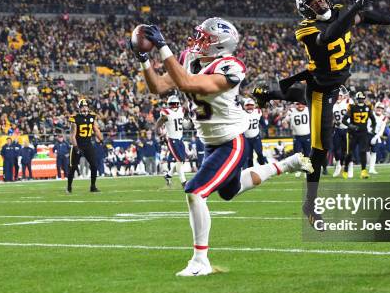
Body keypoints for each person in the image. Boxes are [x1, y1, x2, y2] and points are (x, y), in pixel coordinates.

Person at [132, 17, 313, 276]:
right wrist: (143, 59)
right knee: (230, 191)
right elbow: (159, 86)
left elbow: (187, 84)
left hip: (231, 141)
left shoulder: (231, 67)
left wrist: (162, 47)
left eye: (204, 38)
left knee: (194, 191)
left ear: (219, 45)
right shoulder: (188, 59)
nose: (197, 41)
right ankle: (287, 163)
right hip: (209, 143)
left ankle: (200, 261)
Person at [252, 0, 390, 228]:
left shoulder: (339, 13)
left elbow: (363, 16)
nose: (320, 2)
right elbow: (329, 36)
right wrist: (351, 10)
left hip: (330, 82)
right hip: (321, 89)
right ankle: (311, 205)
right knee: (320, 150)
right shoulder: (305, 28)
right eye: (313, 1)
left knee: (298, 94)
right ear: (306, 8)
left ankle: (268, 93)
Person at [67, 98, 104, 193]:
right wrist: (76, 147)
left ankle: (93, 186)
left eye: (86, 106)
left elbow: (96, 130)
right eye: (83, 107)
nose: (84, 109)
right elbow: (72, 135)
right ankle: (69, 187)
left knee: (94, 165)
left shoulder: (92, 117)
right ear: (79, 108)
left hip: (88, 144)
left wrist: (102, 140)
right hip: (78, 144)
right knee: (73, 167)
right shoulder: (75, 119)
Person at [342, 92, 376, 179]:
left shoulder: (368, 107)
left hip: (363, 133)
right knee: (350, 153)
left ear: (364, 99)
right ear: (356, 99)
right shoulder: (352, 107)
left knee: (363, 151)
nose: (360, 100)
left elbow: (373, 120)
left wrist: (373, 128)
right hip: (353, 133)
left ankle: (363, 171)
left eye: (362, 98)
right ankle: (345, 169)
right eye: (359, 98)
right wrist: (351, 126)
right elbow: (344, 120)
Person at [156, 95, 187, 187]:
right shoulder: (167, 112)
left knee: (181, 161)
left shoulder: (181, 110)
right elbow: (160, 121)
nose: (173, 105)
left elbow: (186, 104)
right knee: (179, 160)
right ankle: (184, 182)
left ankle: (168, 175)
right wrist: (157, 131)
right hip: (172, 139)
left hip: (180, 139)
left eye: (174, 104)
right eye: (172, 104)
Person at [285, 102, 310, 177]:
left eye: (302, 104)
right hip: (297, 136)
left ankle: (306, 169)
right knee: (297, 154)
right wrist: (285, 122)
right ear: (295, 104)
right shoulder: (291, 111)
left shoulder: (308, 110)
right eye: (298, 104)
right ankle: (298, 169)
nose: (300, 105)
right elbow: (285, 120)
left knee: (307, 153)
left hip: (307, 135)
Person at [243, 98, 268, 168]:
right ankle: (250, 172)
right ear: (244, 106)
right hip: (246, 139)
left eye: (251, 105)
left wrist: (266, 130)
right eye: (247, 105)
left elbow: (262, 122)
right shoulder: (241, 114)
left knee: (260, 153)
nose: (249, 107)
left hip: (256, 138)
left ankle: (263, 168)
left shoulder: (257, 112)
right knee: (249, 157)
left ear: (254, 106)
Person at [331, 90, 349, 177]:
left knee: (345, 150)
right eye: (337, 96)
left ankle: (345, 167)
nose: (338, 97)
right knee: (336, 149)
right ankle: (338, 165)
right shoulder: (333, 105)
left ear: (343, 97)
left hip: (346, 129)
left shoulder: (346, 103)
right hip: (337, 129)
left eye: (340, 96)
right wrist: (334, 122)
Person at [368, 102, 387, 174]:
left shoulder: (384, 117)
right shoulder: (370, 114)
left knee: (374, 152)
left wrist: (375, 137)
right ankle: (364, 168)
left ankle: (371, 169)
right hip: (367, 133)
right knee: (365, 152)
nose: (379, 109)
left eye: (381, 108)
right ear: (375, 108)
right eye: (378, 108)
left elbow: (381, 130)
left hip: (376, 135)